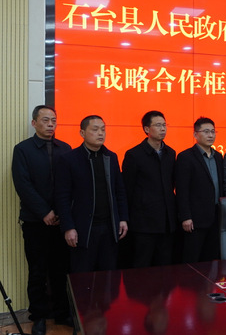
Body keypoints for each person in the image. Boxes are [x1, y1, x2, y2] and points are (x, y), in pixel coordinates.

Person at [11, 105, 72, 334]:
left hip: (61, 221)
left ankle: (62, 313)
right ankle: (38, 317)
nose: (50, 124)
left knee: (60, 270)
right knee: (37, 271)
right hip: (35, 222)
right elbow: (23, 184)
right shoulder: (23, 149)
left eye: (53, 120)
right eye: (45, 120)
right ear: (34, 123)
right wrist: (44, 212)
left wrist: (60, 212)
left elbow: (70, 184)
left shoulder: (65, 148)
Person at [55, 115, 128, 273]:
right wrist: (68, 227)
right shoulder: (69, 159)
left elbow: (119, 191)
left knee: (108, 276)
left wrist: (122, 218)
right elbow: (62, 197)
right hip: (83, 228)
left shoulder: (111, 157)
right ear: (82, 133)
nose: (100, 133)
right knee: (83, 276)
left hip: (109, 227)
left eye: (103, 129)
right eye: (95, 129)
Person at [121, 110, 176, 268]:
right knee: (142, 265)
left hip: (166, 223)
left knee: (164, 267)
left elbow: (172, 184)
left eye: (164, 125)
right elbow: (127, 189)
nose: (163, 129)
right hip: (143, 223)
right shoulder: (134, 155)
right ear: (146, 129)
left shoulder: (170, 153)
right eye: (158, 125)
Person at [175, 117, 224, 262]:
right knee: (192, 258)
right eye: (206, 132)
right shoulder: (185, 157)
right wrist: (185, 216)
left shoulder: (218, 157)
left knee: (211, 259)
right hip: (195, 219)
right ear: (195, 134)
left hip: (216, 216)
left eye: (213, 132)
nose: (210, 135)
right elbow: (182, 190)